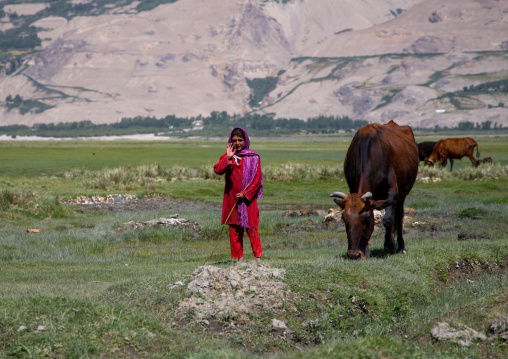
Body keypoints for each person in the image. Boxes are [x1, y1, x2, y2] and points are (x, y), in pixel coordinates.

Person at [214, 127, 263, 263]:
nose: (237, 143)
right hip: (232, 200)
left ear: (245, 140)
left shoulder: (254, 157)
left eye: (240, 140)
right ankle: (238, 260)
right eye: (234, 140)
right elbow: (217, 170)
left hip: (248, 201)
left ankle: (258, 259)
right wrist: (228, 159)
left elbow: (256, 179)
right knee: (234, 230)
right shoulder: (228, 156)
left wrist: (246, 194)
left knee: (251, 228)